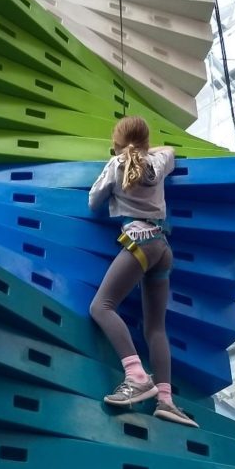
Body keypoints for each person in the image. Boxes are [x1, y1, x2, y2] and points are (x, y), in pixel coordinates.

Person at [88, 116, 199, 427]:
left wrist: (116, 160)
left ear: (117, 142)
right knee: (156, 328)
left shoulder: (115, 165)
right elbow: (170, 152)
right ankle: (165, 400)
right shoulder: (158, 161)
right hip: (163, 247)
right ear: (147, 142)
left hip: (139, 241)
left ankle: (136, 375)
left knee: (101, 306)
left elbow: (93, 201)